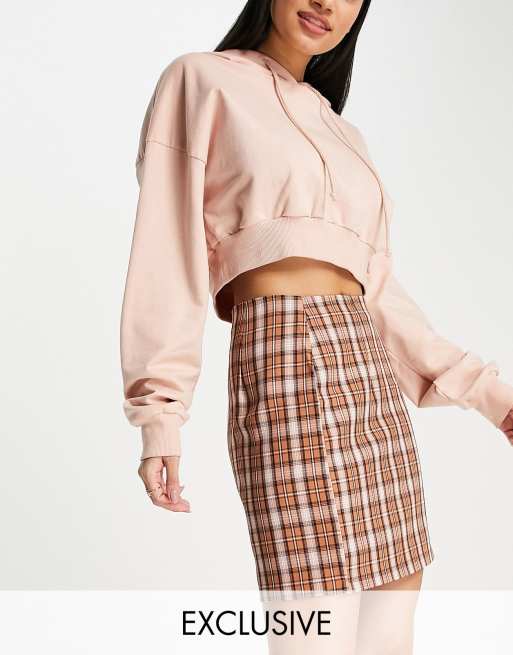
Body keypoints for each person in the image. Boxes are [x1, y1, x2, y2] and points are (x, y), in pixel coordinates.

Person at [119, 1, 513, 652]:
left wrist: (494, 398)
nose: (328, 2)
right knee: (313, 620)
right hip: (282, 360)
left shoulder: (342, 133)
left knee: (391, 622)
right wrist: (159, 412)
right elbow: (167, 250)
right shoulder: (201, 80)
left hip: (371, 384)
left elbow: (379, 295)